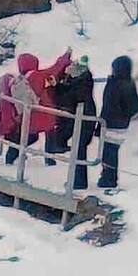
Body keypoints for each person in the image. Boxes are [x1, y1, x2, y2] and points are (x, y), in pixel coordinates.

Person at [99, 56, 138, 189]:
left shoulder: (116, 84)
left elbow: (109, 104)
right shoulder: (129, 82)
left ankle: (109, 178)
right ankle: (109, 176)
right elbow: (136, 107)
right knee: (111, 151)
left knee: (109, 152)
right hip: (121, 124)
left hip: (112, 123)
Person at [55, 59, 98, 189]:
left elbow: (68, 98)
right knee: (79, 148)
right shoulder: (84, 80)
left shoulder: (80, 85)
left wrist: (58, 87)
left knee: (79, 149)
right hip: (86, 116)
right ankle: (78, 181)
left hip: (84, 119)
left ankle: (79, 182)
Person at [50, 56, 95, 155]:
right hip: (74, 109)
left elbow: (76, 95)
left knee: (77, 134)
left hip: (79, 110)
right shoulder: (74, 79)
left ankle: (61, 146)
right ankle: (60, 145)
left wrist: (59, 88)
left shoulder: (82, 80)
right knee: (67, 128)